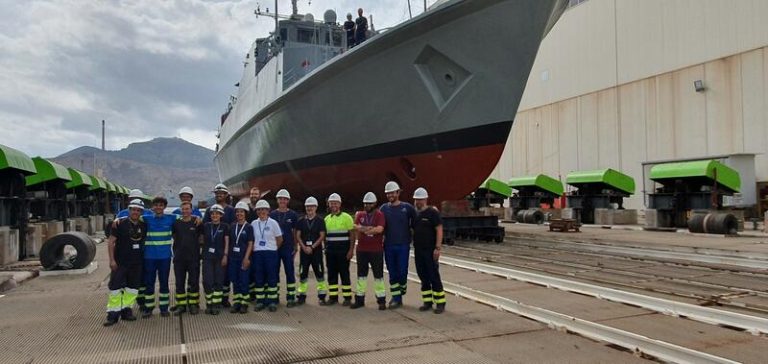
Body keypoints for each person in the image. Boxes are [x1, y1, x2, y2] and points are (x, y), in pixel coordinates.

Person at [104, 199, 146, 326]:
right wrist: (111, 260)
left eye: (138, 210)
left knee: (132, 288)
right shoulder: (119, 224)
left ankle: (126, 311)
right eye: (133, 209)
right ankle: (112, 315)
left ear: (141, 212)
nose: (135, 212)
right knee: (115, 288)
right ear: (129, 210)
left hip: (136, 263)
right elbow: (111, 242)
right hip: (120, 262)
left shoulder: (144, 225)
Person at [379, 181, 416, 309]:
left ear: (398, 193)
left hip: (403, 245)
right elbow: (378, 223)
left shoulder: (407, 208)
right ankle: (396, 298)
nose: (390, 195)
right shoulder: (383, 208)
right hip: (389, 245)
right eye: (388, 193)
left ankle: (402, 287)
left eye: (392, 193)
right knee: (392, 272)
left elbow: (417, 220)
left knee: (402, 271)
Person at [140, 195, 178, 318]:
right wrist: (117, 220)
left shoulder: (171, 218)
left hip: (165, 258)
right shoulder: (146, 218)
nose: (158, 207)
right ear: (152, 207)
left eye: (161, 205)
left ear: (164, 207)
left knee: (164, 283)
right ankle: (149, 308)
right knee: (149, 283)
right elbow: (132, 217)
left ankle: (163, 308)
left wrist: (197, 218)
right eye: (156, 205)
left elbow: (187, 217)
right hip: (149, 257)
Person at [412, 188, 446, 314]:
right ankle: (427, 301)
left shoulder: (432, 213)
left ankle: (440, 302)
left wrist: (438, 248)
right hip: (418, 250)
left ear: (425, 199)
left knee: (433, 276)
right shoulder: (415, 214)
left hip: (430, 250)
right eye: (416, 200)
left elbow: (439, 229)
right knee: (423, 276)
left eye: (420, 200)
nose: (418, 202)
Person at [351, 192, 387, 310]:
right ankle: (359, 299)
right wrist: (369, 229)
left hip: (376, 250)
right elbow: (355, 226)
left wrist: (364, 229)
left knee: (378, 276)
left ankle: (381, 300)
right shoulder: (360, 214)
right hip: (362, 250)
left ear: (375, 204)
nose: (367, 206)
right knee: (361, 276)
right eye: (366, 204)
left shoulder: (379, 215)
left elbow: (380, 229)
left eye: (370, 204)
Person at [203, 183, 235, 308]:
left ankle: (224, 298)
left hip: (226, 247)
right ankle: (214, 300)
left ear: (226, 195)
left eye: (221, 193)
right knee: (212, 277)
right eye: (217, 193)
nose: (219, 195)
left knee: (225, 276)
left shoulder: (231, 210)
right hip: (212, 248)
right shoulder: (209, 210)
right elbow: (204, 227)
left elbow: (233, 228)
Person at [170, 201, 202, 316]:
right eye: (183, 209)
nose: (185, 211)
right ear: (180, 210)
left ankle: (193, 304)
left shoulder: (197, 222)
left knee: (193, 282)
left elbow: (201, 237)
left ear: (191, 210)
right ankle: (181, 305)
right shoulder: (176, 223)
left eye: (187, 209)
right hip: (179, 259)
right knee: (179, 283)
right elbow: (174, 236)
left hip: (193, 258)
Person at [323, 193, 355, 306]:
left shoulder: (347, 217)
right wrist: (325, 249)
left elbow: (352, 235)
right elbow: (324, 236)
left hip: (343, 251)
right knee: (332, 275)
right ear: (329, 204)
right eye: (332, 203)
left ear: (340, 204)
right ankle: (333, 297)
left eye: (335, 203)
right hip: (330, 252)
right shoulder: (326, 219)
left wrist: (351, 250)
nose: (333, 205)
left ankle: (347, 298)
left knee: (344, 274)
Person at [251, 199, 283, 312]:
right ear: (256, 211)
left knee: (271, 277)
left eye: (263, 209)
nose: (261, 211)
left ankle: (272, 301)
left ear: (268, 210)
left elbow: (279, 239)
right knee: (259, 277)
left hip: (271, 253)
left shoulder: (273, 223)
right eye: (259, 209)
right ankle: (260, 301)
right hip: (258, 253)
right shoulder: (254, 224)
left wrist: (273, 248)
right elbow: (252, 240)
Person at [295, 196, 328, 305]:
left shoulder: (320, 221)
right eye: (308, 206)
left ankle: (322, 296)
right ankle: (302, 295)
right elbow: (298, 235)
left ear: (316, 207)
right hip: (304, 252)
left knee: (319, 273)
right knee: (303, 273)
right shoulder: (300, 221)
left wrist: (312, 247)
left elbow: (322, 236)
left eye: (312, 206)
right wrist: (304, 247)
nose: (310, 208)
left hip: (316, 252)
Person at [270, 189, 298, 307]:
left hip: (288, 248)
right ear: (277, 200)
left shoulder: (292, 215)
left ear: (288, 200)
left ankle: (291, 297)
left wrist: (295, 246)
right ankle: (275, 296)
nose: (282, 201)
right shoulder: (272, 214)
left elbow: (295, 231)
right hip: (275, 248)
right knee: (274, 272)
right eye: (280, 199)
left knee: (290, 272)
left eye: (284, 199)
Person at [202, 204, 229, 315]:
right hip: (207, 257)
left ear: (221, 215)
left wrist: (225, 255)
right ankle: (209, 303)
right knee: (207, 281)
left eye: (217, 213)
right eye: (212, 213)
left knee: (218, 281)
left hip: (220, 257)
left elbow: (227, 242)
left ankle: (216, 304)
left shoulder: (225, 227)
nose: (214, 215)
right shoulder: (206, 226)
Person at [229, 202, 254, 314]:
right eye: (238, 211)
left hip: (243, 257)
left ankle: (244, 303)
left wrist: (247, 258)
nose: (239, 213)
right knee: (235, 281)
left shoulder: (249, 227)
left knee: (244, 281)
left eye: (241, 211)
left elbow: (250, 243)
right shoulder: (232, 226)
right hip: (233, 258)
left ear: (245, 213)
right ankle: (237, 302)